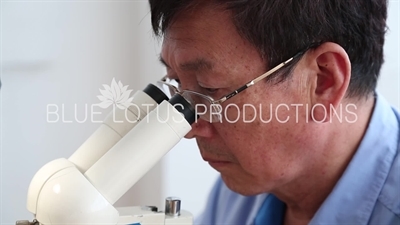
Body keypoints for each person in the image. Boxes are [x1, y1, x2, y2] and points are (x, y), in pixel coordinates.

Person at [149, 0, 400, 224]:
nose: (190, 129)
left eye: (209, 88)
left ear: (323, 81)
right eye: (178, 83)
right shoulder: (241, 193)